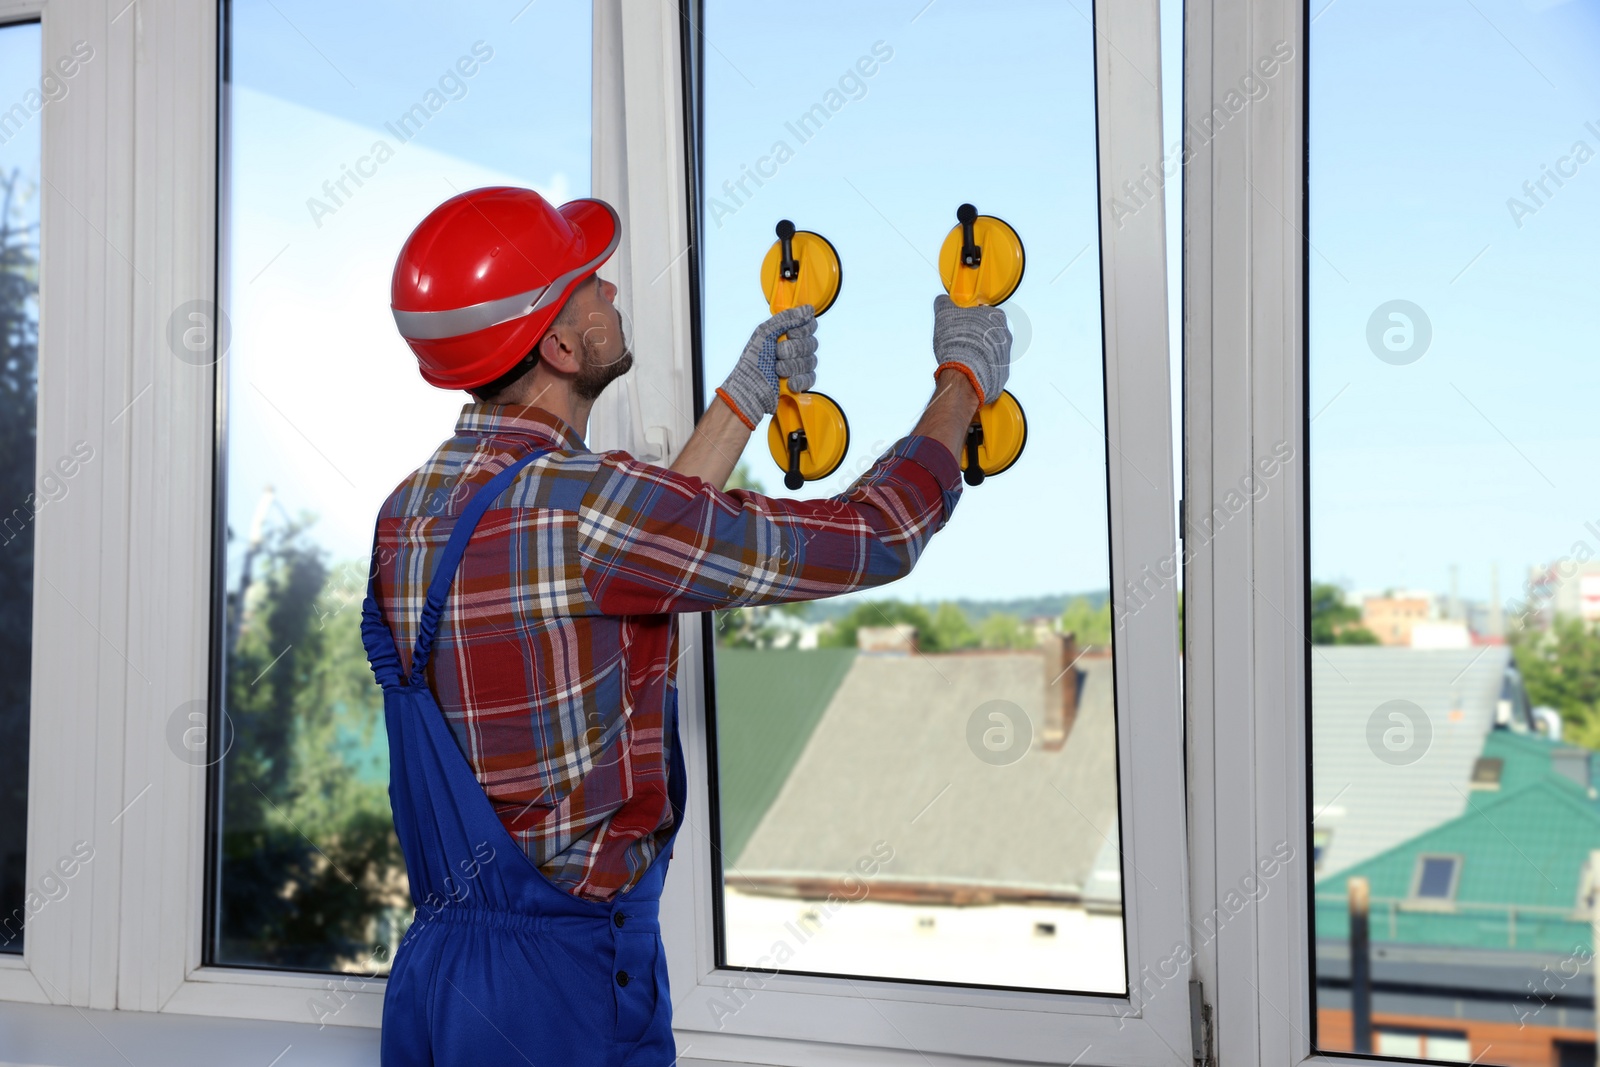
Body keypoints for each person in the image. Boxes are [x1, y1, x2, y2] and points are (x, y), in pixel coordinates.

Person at [361, 186, 1010, 1066]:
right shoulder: (586, 510)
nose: (612, 293)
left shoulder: (410, 510)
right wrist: (961, 383)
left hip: (439, 975)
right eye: (590, 283)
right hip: (564, 989)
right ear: (558, 343)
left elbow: (623, 569)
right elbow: (876, 536)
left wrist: (744, 401)